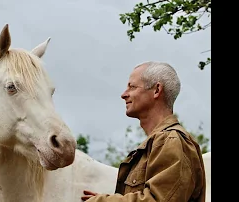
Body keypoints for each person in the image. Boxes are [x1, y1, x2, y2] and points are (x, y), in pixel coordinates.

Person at [81, 61, 206, 202]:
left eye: (132, 87)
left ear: (157, 90)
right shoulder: (158, 143)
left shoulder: (171, 140)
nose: (123, 94)